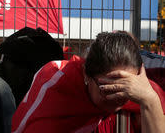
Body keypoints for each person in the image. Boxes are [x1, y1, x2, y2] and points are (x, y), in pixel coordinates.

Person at [12, 31, 165, 133]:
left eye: (126, 87)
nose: (118, 97)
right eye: (108, 88)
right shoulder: (57, 84)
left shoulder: (144, 89)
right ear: (86, 74)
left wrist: (149, 100)